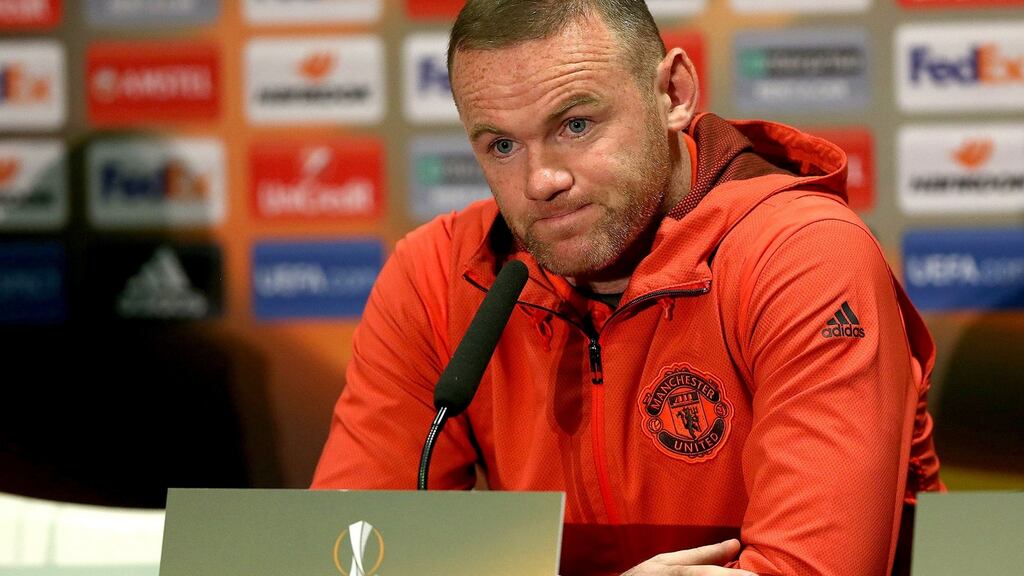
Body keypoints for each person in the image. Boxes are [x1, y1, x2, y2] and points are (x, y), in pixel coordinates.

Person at [311, 1, 944, 574]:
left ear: (673, 92)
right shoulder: (439, 275)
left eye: (576, 125)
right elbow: (352, 555)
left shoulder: (803, 256)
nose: (541, 180)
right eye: (502, 144)